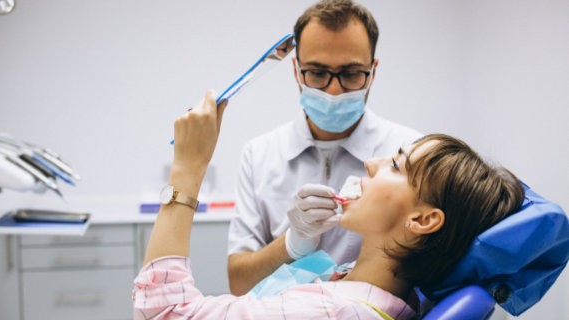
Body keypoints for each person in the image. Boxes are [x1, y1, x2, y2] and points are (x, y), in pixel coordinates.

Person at [133, 90, 525, 319]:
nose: (371, 163)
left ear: (422, 219)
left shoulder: (331, 312)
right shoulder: (361, 284)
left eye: (395, 164)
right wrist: (294, 245)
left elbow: (164, 312)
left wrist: (187, 169)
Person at [228, 0, 422, 295]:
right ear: (296, 69)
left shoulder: (409, 153)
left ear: (373, 71)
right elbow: (239, 284)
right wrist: (292, 242)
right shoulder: (259, 155)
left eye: (351, 74)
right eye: (317, 73)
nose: (333, 91)